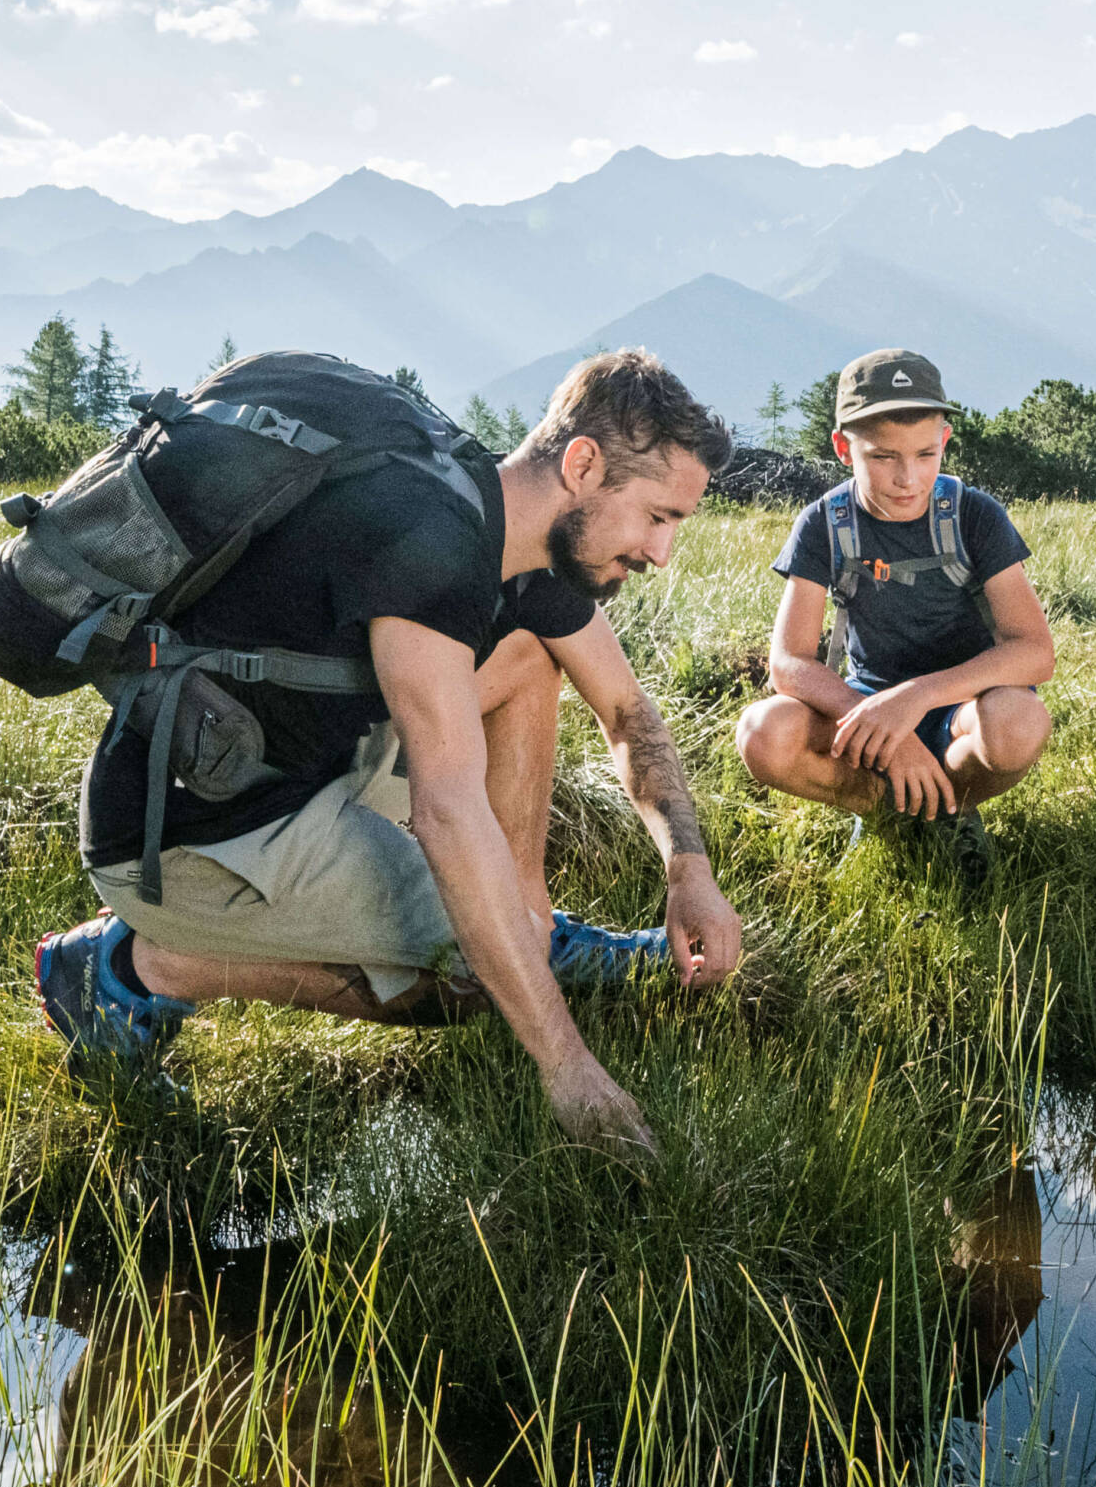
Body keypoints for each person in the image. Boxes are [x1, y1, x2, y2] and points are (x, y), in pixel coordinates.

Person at [36, 350, 745, 1157]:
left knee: (527, 655)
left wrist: (688, 868)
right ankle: (128, 969)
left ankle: (531, 925)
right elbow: (447, 808)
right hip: (194, 837)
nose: (662, 553)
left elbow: (628, 714)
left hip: (302, 762)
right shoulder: (431, 544)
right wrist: (567, 1067)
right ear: (583, 465)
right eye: (658, 517)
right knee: (474, 986)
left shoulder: (507, 523)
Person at [735, 349, 1055, 887]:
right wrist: (890, 733)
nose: (909, 478)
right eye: (884, 457)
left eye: (926, 454)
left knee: (1021, 723)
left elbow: (1035, 652)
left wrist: (918, 698)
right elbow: (788, 663)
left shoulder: (973, 514)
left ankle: (948, 808)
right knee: (762, 732)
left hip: (963, 708)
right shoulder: (823, 524)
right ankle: (886, 810)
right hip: (864, 710)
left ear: (945, 441)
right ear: (843, 448)